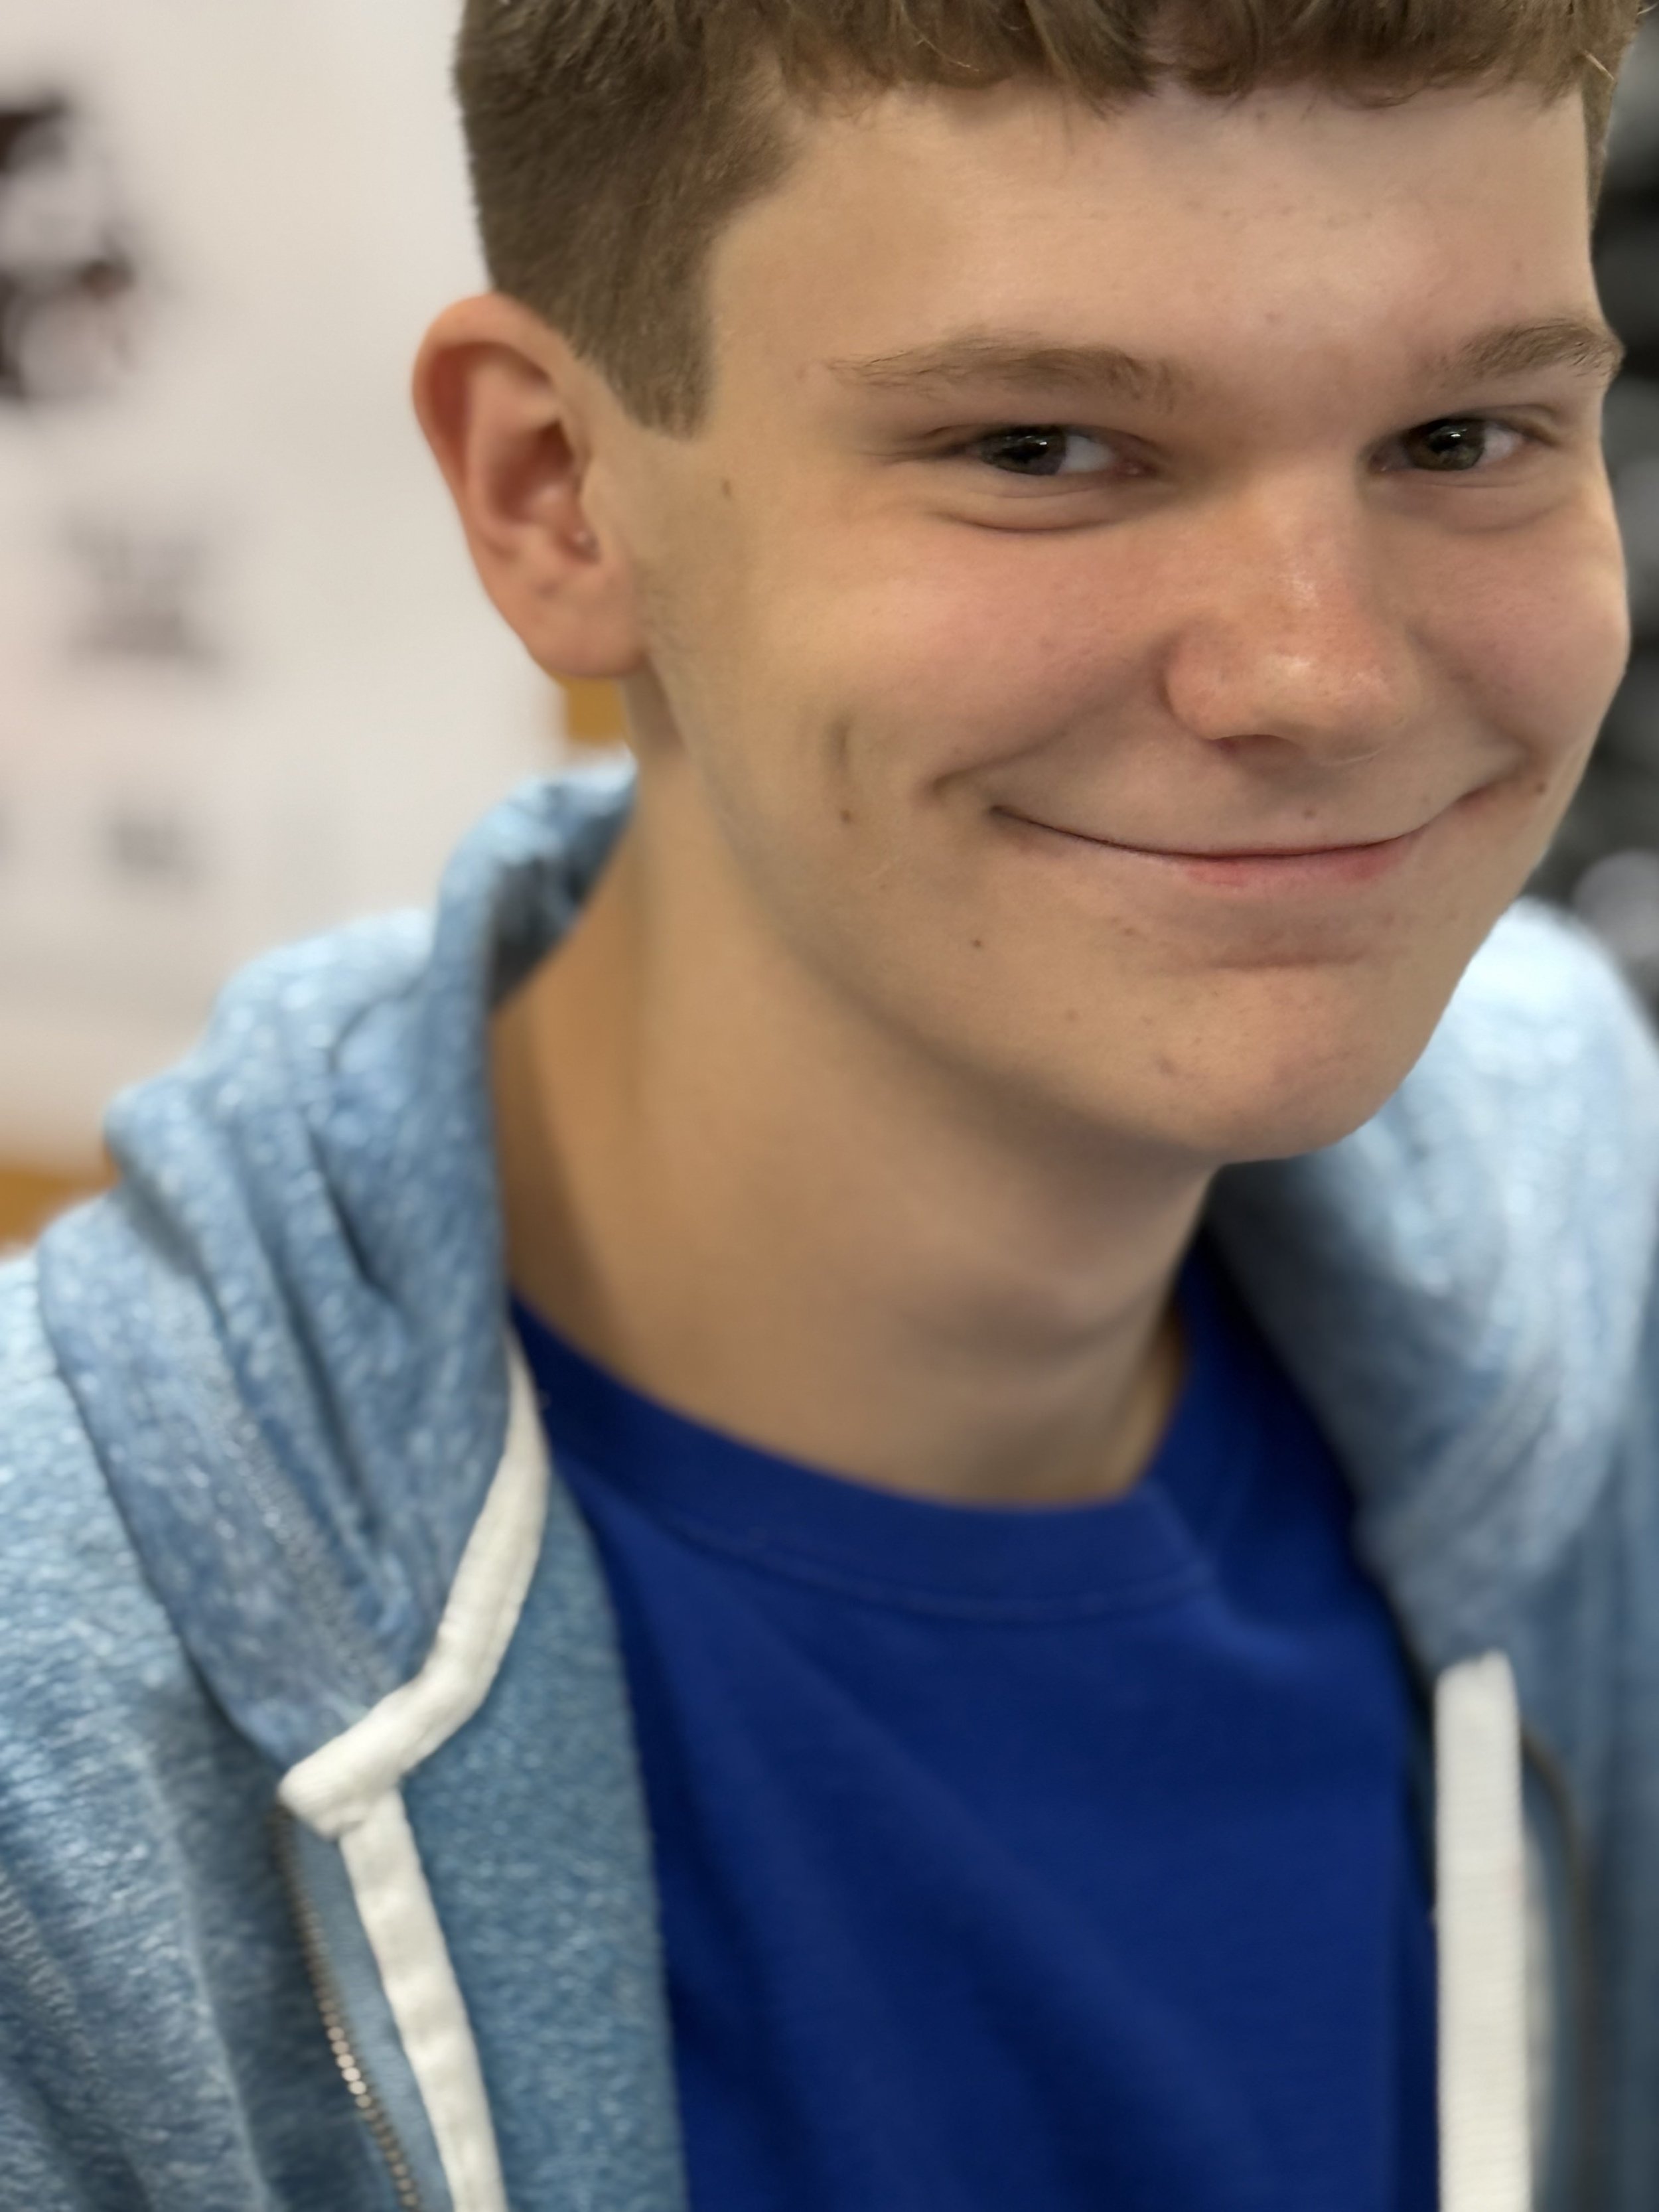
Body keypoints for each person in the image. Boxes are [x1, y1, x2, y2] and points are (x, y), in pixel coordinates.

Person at [2, 0, 1655, 2205]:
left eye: (1460, 437)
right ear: (552, 490)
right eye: (1040, 449)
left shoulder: (1595, 1223)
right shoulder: (58, 1724)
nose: (1318, 677)